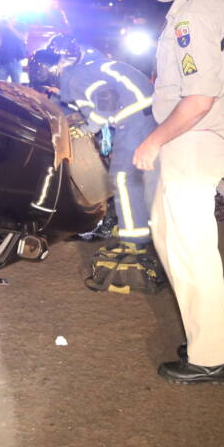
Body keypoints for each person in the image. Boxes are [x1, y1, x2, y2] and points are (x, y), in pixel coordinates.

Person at [128, 0, 224, 385]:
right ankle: (220, 322)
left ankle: (211, 356)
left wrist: (154, 139)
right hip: (208, 134)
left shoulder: (191, 15)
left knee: (188, 244)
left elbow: (198, 98)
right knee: (167, 228)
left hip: (194, 138)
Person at [56, 45, 164, 293]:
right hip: (150, 113)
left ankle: (134, 241)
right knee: (144, 175)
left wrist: (89, 128)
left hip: (134, 119)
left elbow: (105, 99)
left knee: (124, 178)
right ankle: (148, 224)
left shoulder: (75, 76)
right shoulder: (95, 65)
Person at [0, 17, 27, 83]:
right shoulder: (2, 27)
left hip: (16, 62)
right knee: (1, 87)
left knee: (17, 88)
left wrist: (11, 27)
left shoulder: (21, 25)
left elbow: (23, 38)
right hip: (2, 62)